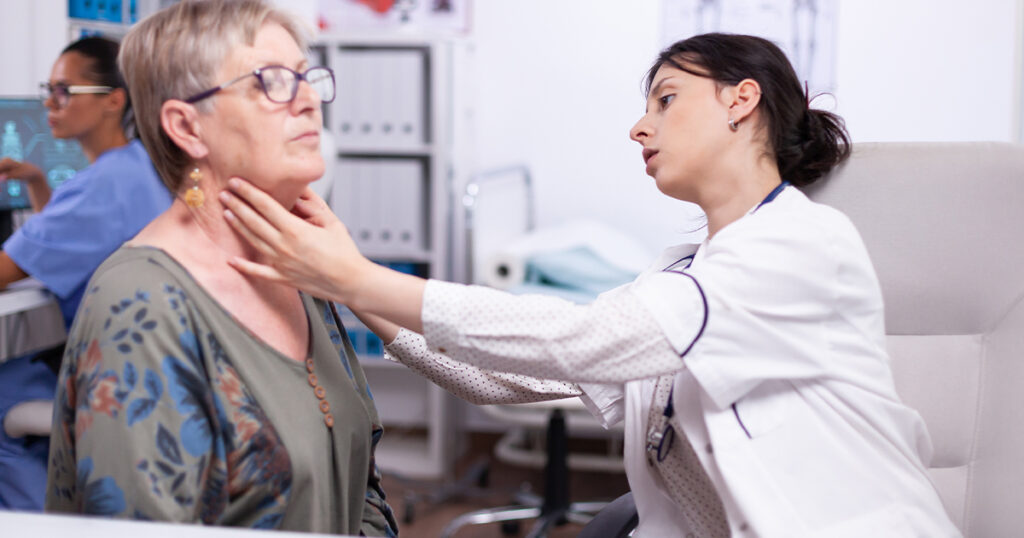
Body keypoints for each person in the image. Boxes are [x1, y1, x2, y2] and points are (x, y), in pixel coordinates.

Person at [220, 33, 960, 536]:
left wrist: (358, 275)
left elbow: (583, 339)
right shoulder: (682, 272)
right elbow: (512, 381)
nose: (638, 128)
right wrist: (358, 296)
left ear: (742, 101)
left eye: (665, 99)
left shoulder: (799, 246)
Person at [45, 1, 397, 535]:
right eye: (271, 81)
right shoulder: (139, 306)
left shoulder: (299, 264)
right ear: (188, 127)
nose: (307, 101)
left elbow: (358, 488)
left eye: (306, 76)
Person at [0, 37, 171, 511]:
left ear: (113, 101)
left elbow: (8, 269)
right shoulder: (140, 165)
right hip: (155, 364)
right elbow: (64, 236)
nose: (50, 104)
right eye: (47, 90)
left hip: (117, 376)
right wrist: (37, 180)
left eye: (63, 91)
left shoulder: (99, 187)